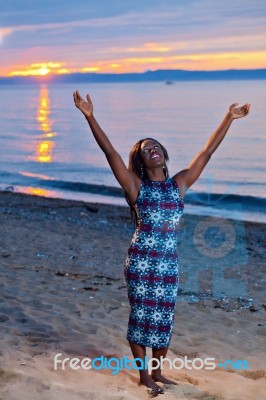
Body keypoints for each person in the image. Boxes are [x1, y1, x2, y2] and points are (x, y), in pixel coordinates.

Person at [73, 90, 250, 396]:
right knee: (142, 316)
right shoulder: (135, 185)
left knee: (164, 316)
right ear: (141, 161)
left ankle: (158, 373)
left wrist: (229, 118)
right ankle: (144, 378)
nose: (151, 150)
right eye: (145, 149)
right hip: (141, 260)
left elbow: (206, 153)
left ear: (163, 154)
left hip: (168, 262)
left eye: (155, 146)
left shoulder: (179, 183)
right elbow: (111, 154)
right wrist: (90, 116)